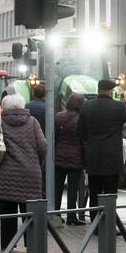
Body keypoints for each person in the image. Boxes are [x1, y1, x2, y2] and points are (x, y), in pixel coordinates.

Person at [0, 94, 47, 250]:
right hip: (30, 174)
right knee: (29, 212)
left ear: (4, 106)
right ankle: (30, 243)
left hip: (5, 175)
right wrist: (37, 162)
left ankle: (8, 245)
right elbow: (43, 145)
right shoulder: (32, 122)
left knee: (7, 213)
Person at [77, 80, 126, 223]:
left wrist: (91, 143)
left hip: (93, 158)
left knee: (94, 193)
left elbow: (80, 132)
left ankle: (95, 225)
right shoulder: (118, 107)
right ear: (110, 92)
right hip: (112, 159)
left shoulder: (87, 106)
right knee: (110, 194)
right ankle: (109, 224)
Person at [55, 92, 86, 224]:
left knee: (57, 188)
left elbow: (54, 137)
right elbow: (84, 140)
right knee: (73, 189)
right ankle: (72, 217)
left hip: (59, 158)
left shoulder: (58, 116)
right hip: (76, 158)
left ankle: (55, 214)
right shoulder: (81, 120)